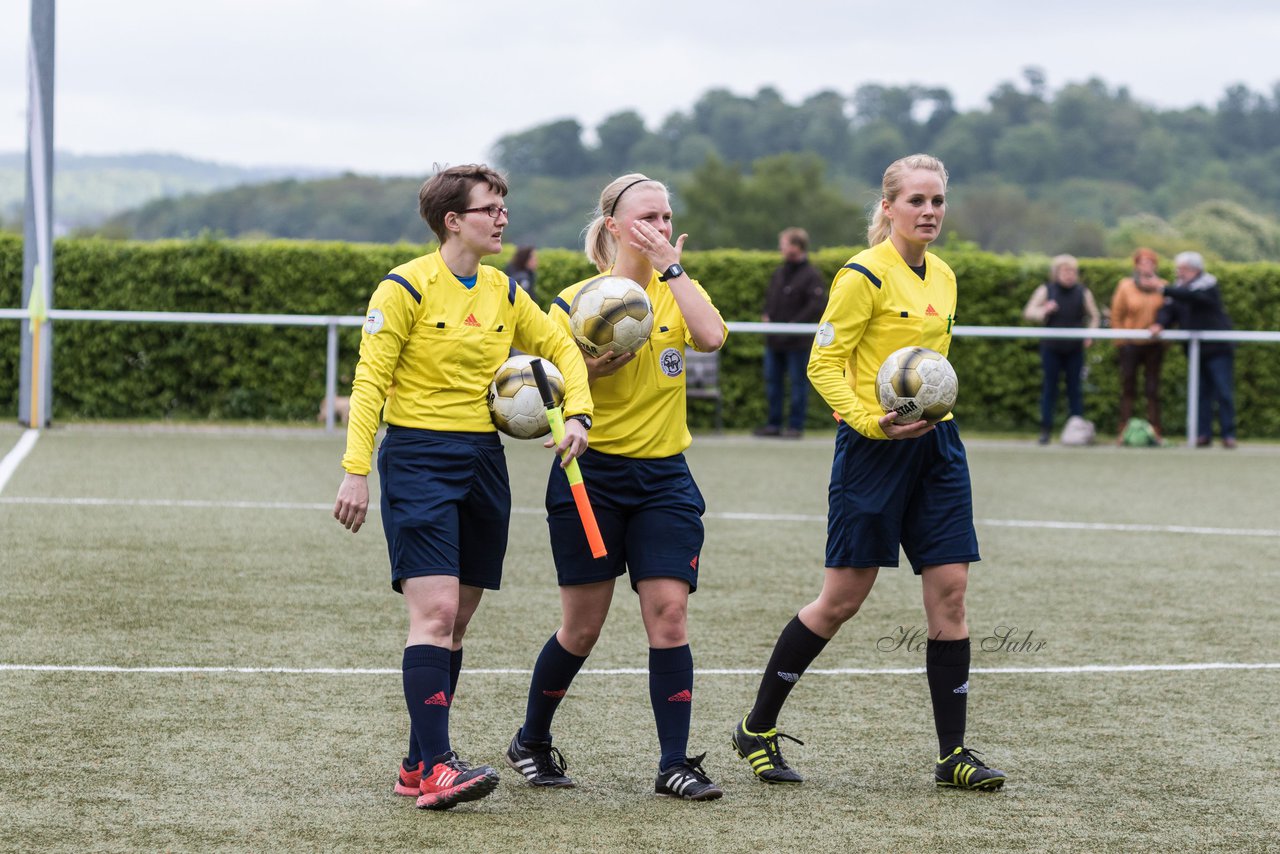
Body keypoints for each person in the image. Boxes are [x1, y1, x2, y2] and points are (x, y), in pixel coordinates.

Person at [731, 153, 1007, 792]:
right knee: (842, 600)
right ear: (887, 208)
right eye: (916, 201)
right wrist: (869, 420)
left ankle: (953, 754)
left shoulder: (944, 275)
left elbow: (931, 368)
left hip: (937, 448)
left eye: (937, 200)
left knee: (951, 592)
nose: (929, 212)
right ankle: (758, 726)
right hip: (872, 450)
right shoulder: (863, 276)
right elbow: (823, 365)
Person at [331, 164, 593, 811]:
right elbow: (369, 383)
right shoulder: (404, 289)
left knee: (458, 621)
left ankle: (417, 763)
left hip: (485, 459)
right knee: (436, 612)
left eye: (504, 206)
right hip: (417, 455)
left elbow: (561, 346)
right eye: (490, 208)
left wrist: (578, 414)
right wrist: (355, 468)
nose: (502, 217)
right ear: (454, 221)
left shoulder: (505, 289)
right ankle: (441, 767)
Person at [505, 173, 728, 801]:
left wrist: (674, 271)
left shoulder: (679, 289)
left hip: (665, 479)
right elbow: (548, 392)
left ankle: (674, 763)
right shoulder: (572, 303)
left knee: (670, 614)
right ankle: (532, 739)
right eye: (646, 219)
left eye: (666, 217)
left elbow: (711, 338)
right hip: (591, 478)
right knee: (582, 629)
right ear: (612, 226)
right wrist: (590, 375)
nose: (660, 228)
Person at [1150, 251, 1236, 448]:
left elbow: (1195, 298)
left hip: (1218, 349)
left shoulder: (1208, 284)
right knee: (1200, 393)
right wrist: (1160, 324)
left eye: (1183, 269)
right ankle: (1203, 435)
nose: (1179, 273)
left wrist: (1165, 289)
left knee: (1223, 392)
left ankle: (1228, 435)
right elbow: (1168, 311)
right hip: (1195, 351)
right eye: (1178, 269)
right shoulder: (1177, 289)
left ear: (1195, 269)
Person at [754, 227, 828, 438]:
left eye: (784, 244)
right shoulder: (779, 272)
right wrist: (767, 315)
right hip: (774, 341)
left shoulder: (811, 275)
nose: (781, 248)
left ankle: (795, 426)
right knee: (773, 383)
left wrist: (794, 324)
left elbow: (815, 306)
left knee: (798, 384)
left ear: (796, 246)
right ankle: (773, 424)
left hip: (798, 342)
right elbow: (771, 298)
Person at [1023, 255, 1101, 444]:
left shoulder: (1083, 292)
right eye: (1065, 271)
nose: (1070, 275)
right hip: (1051, 347)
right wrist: (1044, 310)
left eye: (1073, 271)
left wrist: (1090, 334)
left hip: (1074, 348)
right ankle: (1045, 430)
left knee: (1075, 389)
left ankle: (1077, 431)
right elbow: (1028, 312)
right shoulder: (1046, 290)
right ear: (1056, 273)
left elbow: (1094, 316)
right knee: (1050, 388)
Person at [1110, 248, 1168, 442]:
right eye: (1142, 262)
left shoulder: (1163, 287)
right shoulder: (1125, 286)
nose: (1146, 266)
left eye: (1150, 262)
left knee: (1152, 388)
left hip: (1154, 346)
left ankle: (1156, 430)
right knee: (1128, 387)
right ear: (1136, 265)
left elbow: (1169, 313)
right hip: (1130, 345)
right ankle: (1123, 430)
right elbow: (1116, 315)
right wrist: (1120, 341)